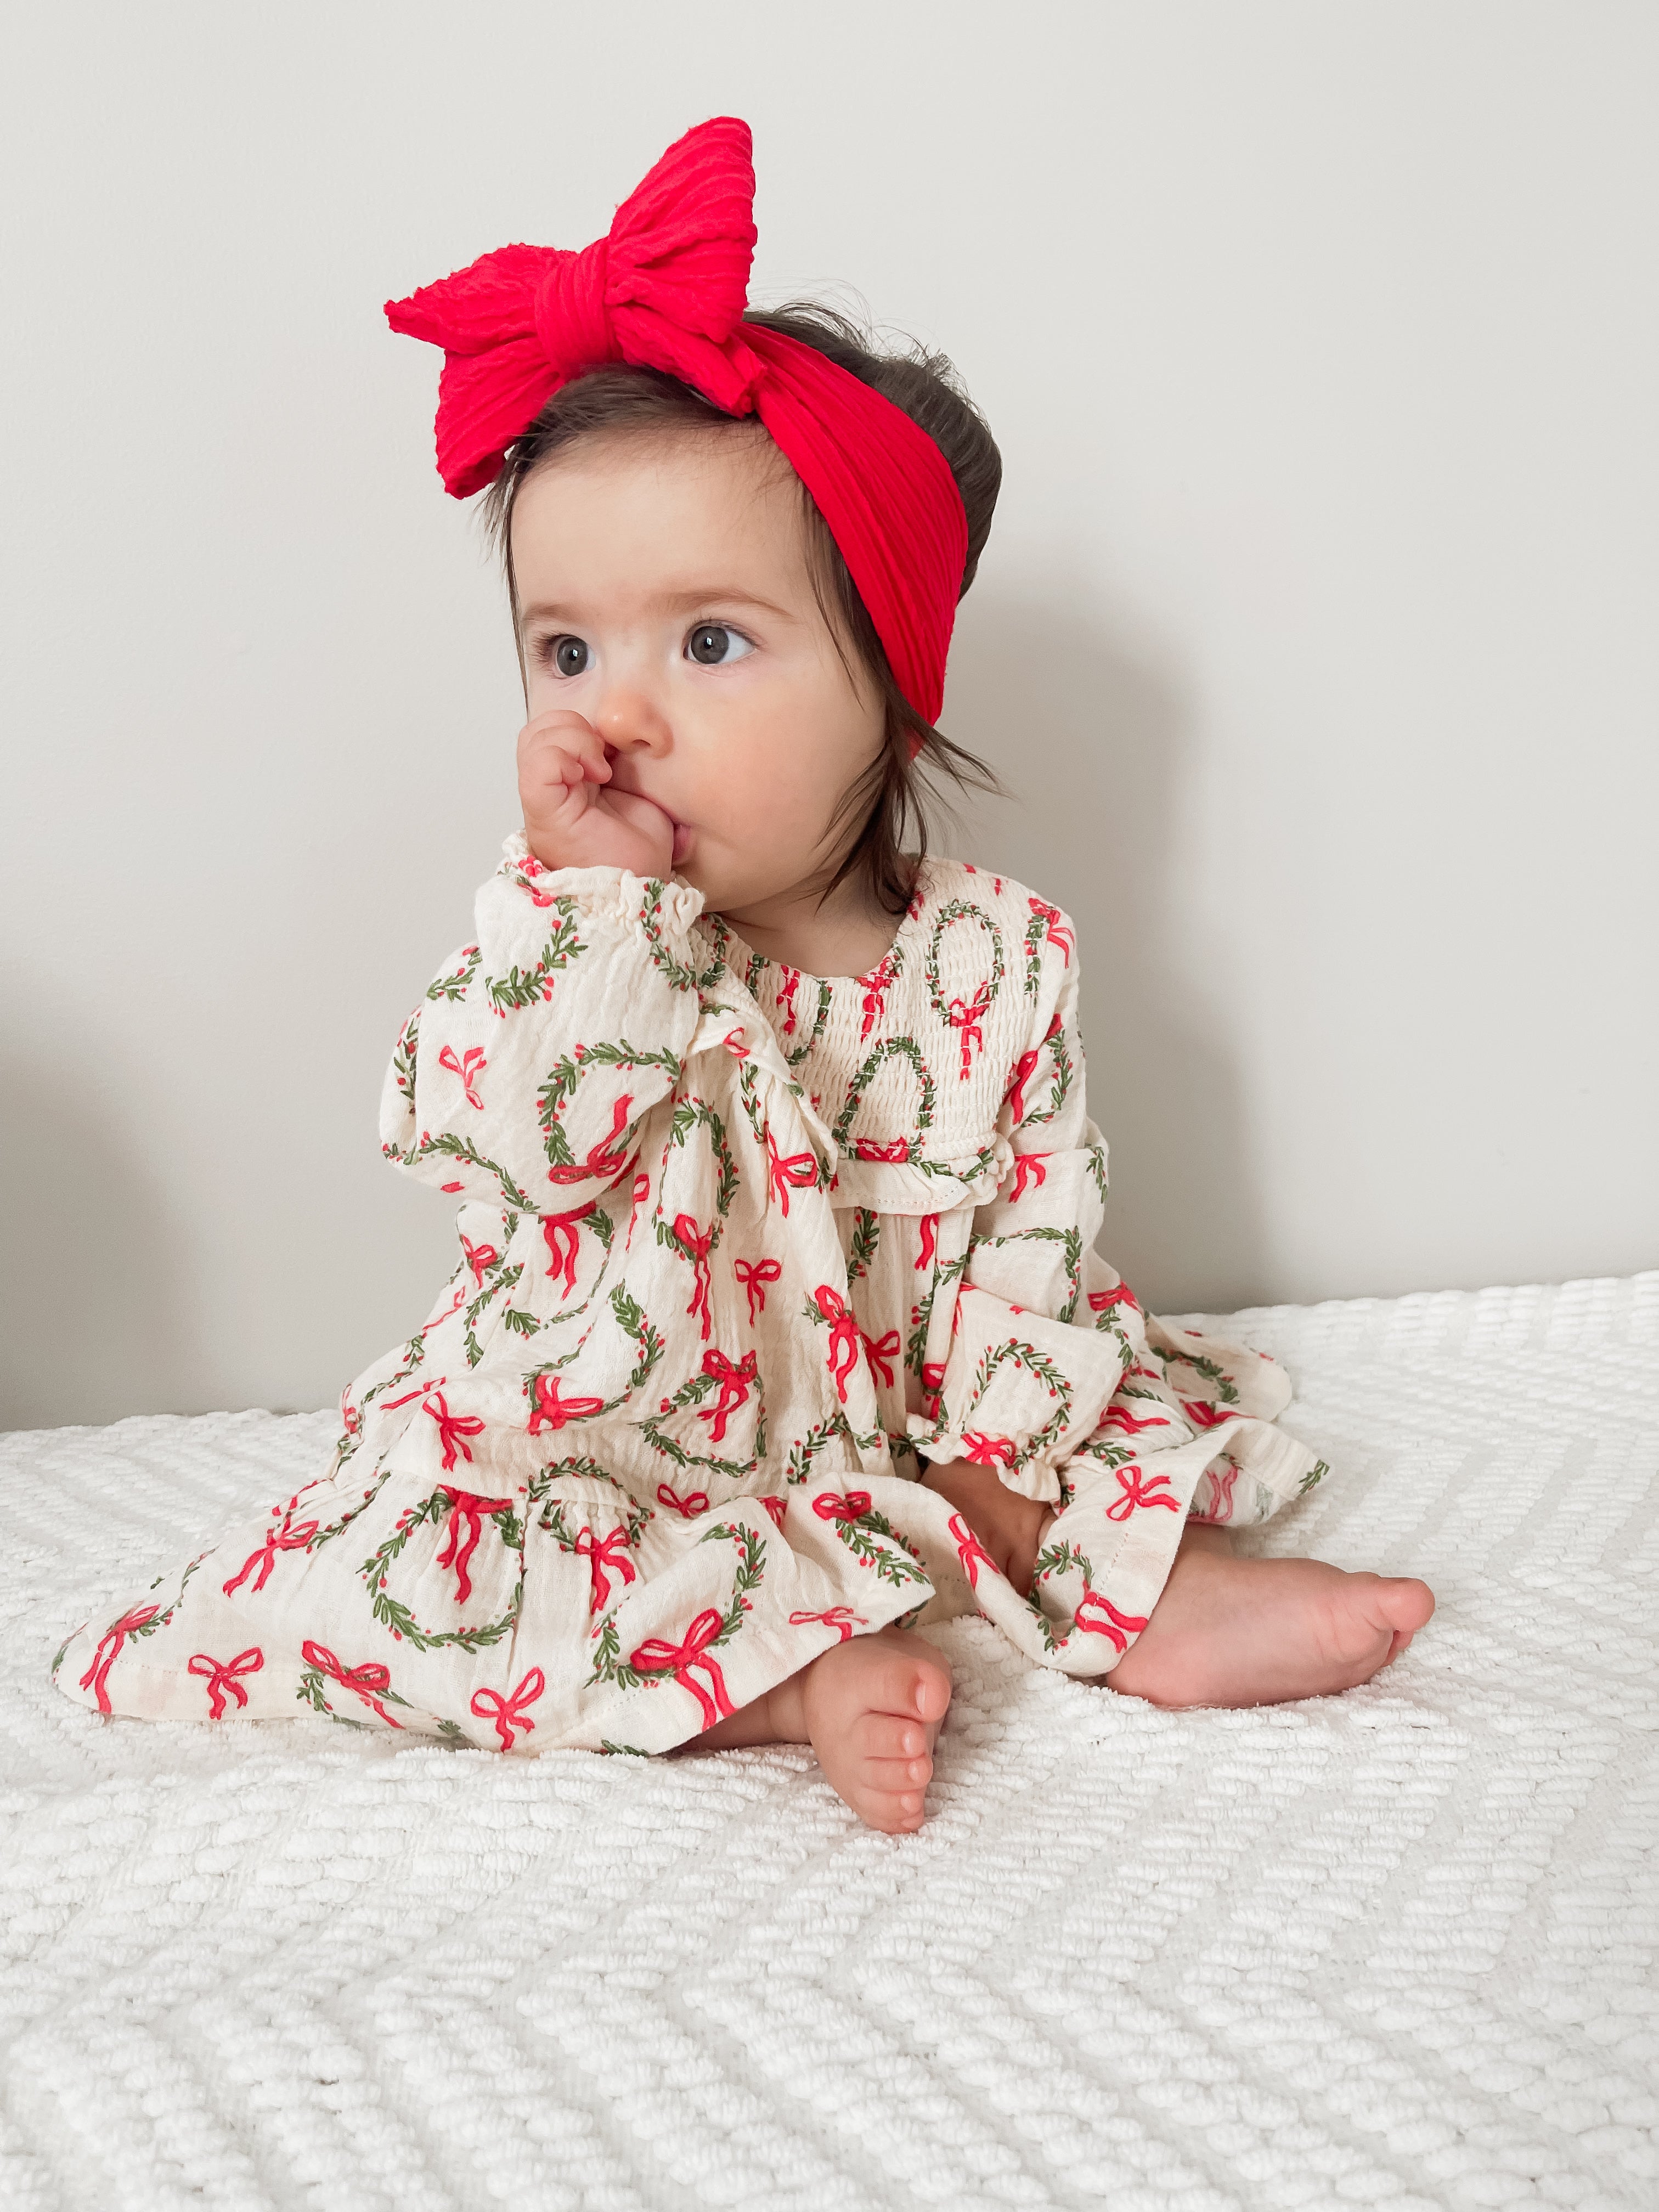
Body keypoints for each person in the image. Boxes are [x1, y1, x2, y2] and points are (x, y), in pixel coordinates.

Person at [53, 119, 1434, 1833]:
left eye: (709, 643)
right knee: (385, 1580)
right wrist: (590, 917)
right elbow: (497, 1146)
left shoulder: (991, 957)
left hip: (911, 1435)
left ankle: (1128, 1591)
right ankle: (774, 1677)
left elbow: (1030, 1243)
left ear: (893, 684)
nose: (616, 710)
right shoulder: (575, 931)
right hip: (627, 1450)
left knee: (1090, 1415)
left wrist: (1006, 1473)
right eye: (567, 648)